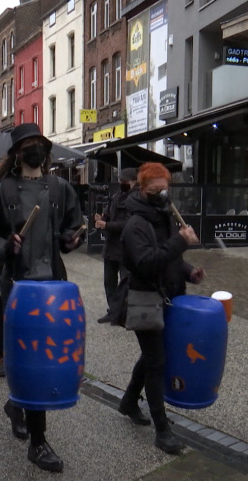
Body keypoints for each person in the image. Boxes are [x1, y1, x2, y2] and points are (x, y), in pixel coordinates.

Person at [0, 123, 85, 473]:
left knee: (41, 358)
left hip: (52, 288)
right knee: (30, 358)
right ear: (17, 152)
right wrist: (5, 246)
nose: (35, 150)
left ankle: (20, 412)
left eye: (40, 144)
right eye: (28, 145)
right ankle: (37, 441)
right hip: (18, 288)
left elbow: (71, 226)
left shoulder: (60, 188)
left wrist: (72, 239)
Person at [118, 162, 205, 455]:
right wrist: (180, 242)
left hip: (168, 296)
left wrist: (188, 271)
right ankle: (162, 430)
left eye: (165, 189)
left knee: (152, 356)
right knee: (157, 362)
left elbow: (169, 259)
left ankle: (129, 401)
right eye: (155, 190)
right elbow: (147, 262)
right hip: (144, 299)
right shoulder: (135, 225)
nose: (162, 194)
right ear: (142, 190)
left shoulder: (165, 215)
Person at [95, 167, 138, 323]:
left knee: (125, 282)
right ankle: (113, 312)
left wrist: (106, 225)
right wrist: (101, 218)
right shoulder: (116, 196)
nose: (121, 183)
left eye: (124, 181)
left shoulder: (136, 199)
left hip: (126, 248)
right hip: (111, 246)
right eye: (120, 180)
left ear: (133, 181)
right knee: (109, 281)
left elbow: (128, 223)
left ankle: (125, 313)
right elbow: (109, 214)